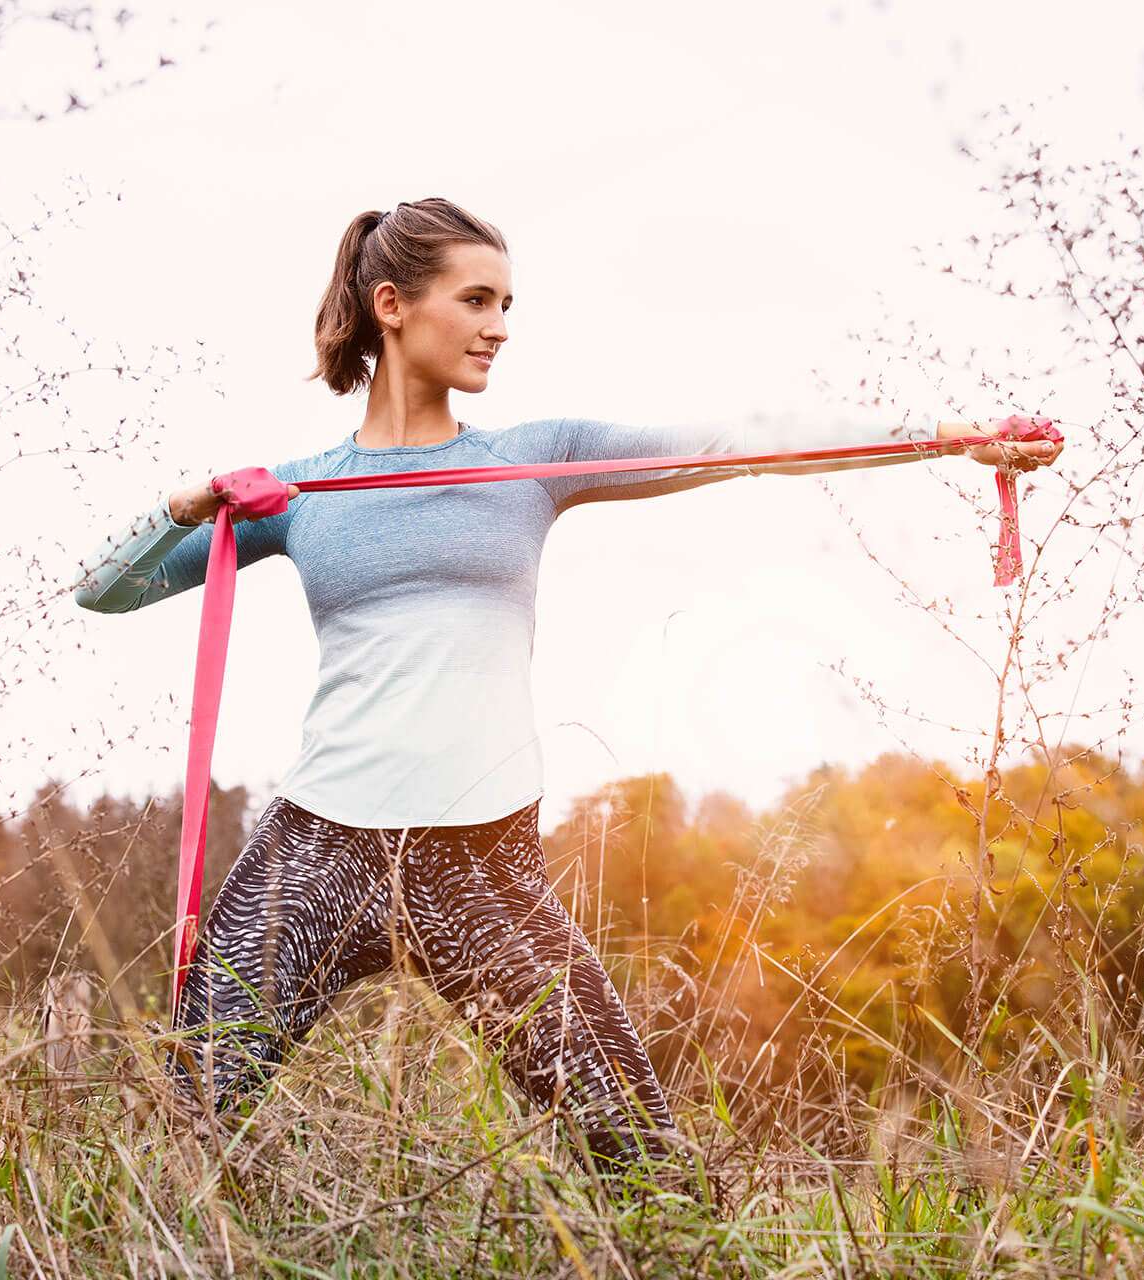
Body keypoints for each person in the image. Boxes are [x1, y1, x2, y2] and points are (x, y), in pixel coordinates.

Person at [72, 197, 1063, 1184]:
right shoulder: (301, 494)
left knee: (644, 1164)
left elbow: (737, 440)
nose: (500, 325)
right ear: (392, 306)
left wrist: (944, 434)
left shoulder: (534, 459)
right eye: (476, 299)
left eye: (508, 302)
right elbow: (107, 590)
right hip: (317, 849)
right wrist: (183, 503)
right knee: (187, 1124)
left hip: (482, 860)